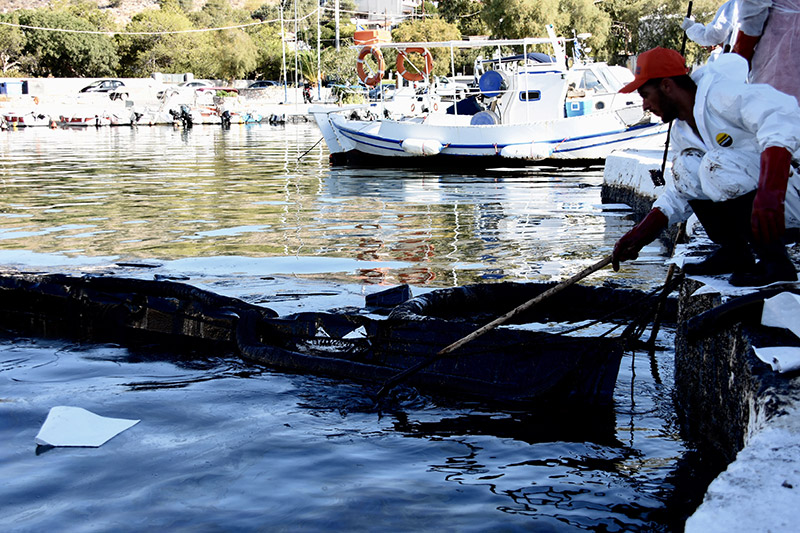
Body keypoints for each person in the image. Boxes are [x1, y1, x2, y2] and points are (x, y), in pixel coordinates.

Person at [611, 47, 800, 286]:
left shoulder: (721, 95)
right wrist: (641, 233)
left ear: (667, 86)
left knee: (716, 165)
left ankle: (776, 264)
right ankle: (735, 253)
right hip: (771, 205)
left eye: (646, 95)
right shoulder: (682, 130)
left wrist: (770, 193)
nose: (645, 106)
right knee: (686, 167)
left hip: (789, 195)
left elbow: (782, 116)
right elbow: (684, 188)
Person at [732, 0, 800, 103]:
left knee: (776, 108)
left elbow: (753, 15)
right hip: (785, 42)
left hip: (781, 53)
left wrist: (738, 58)